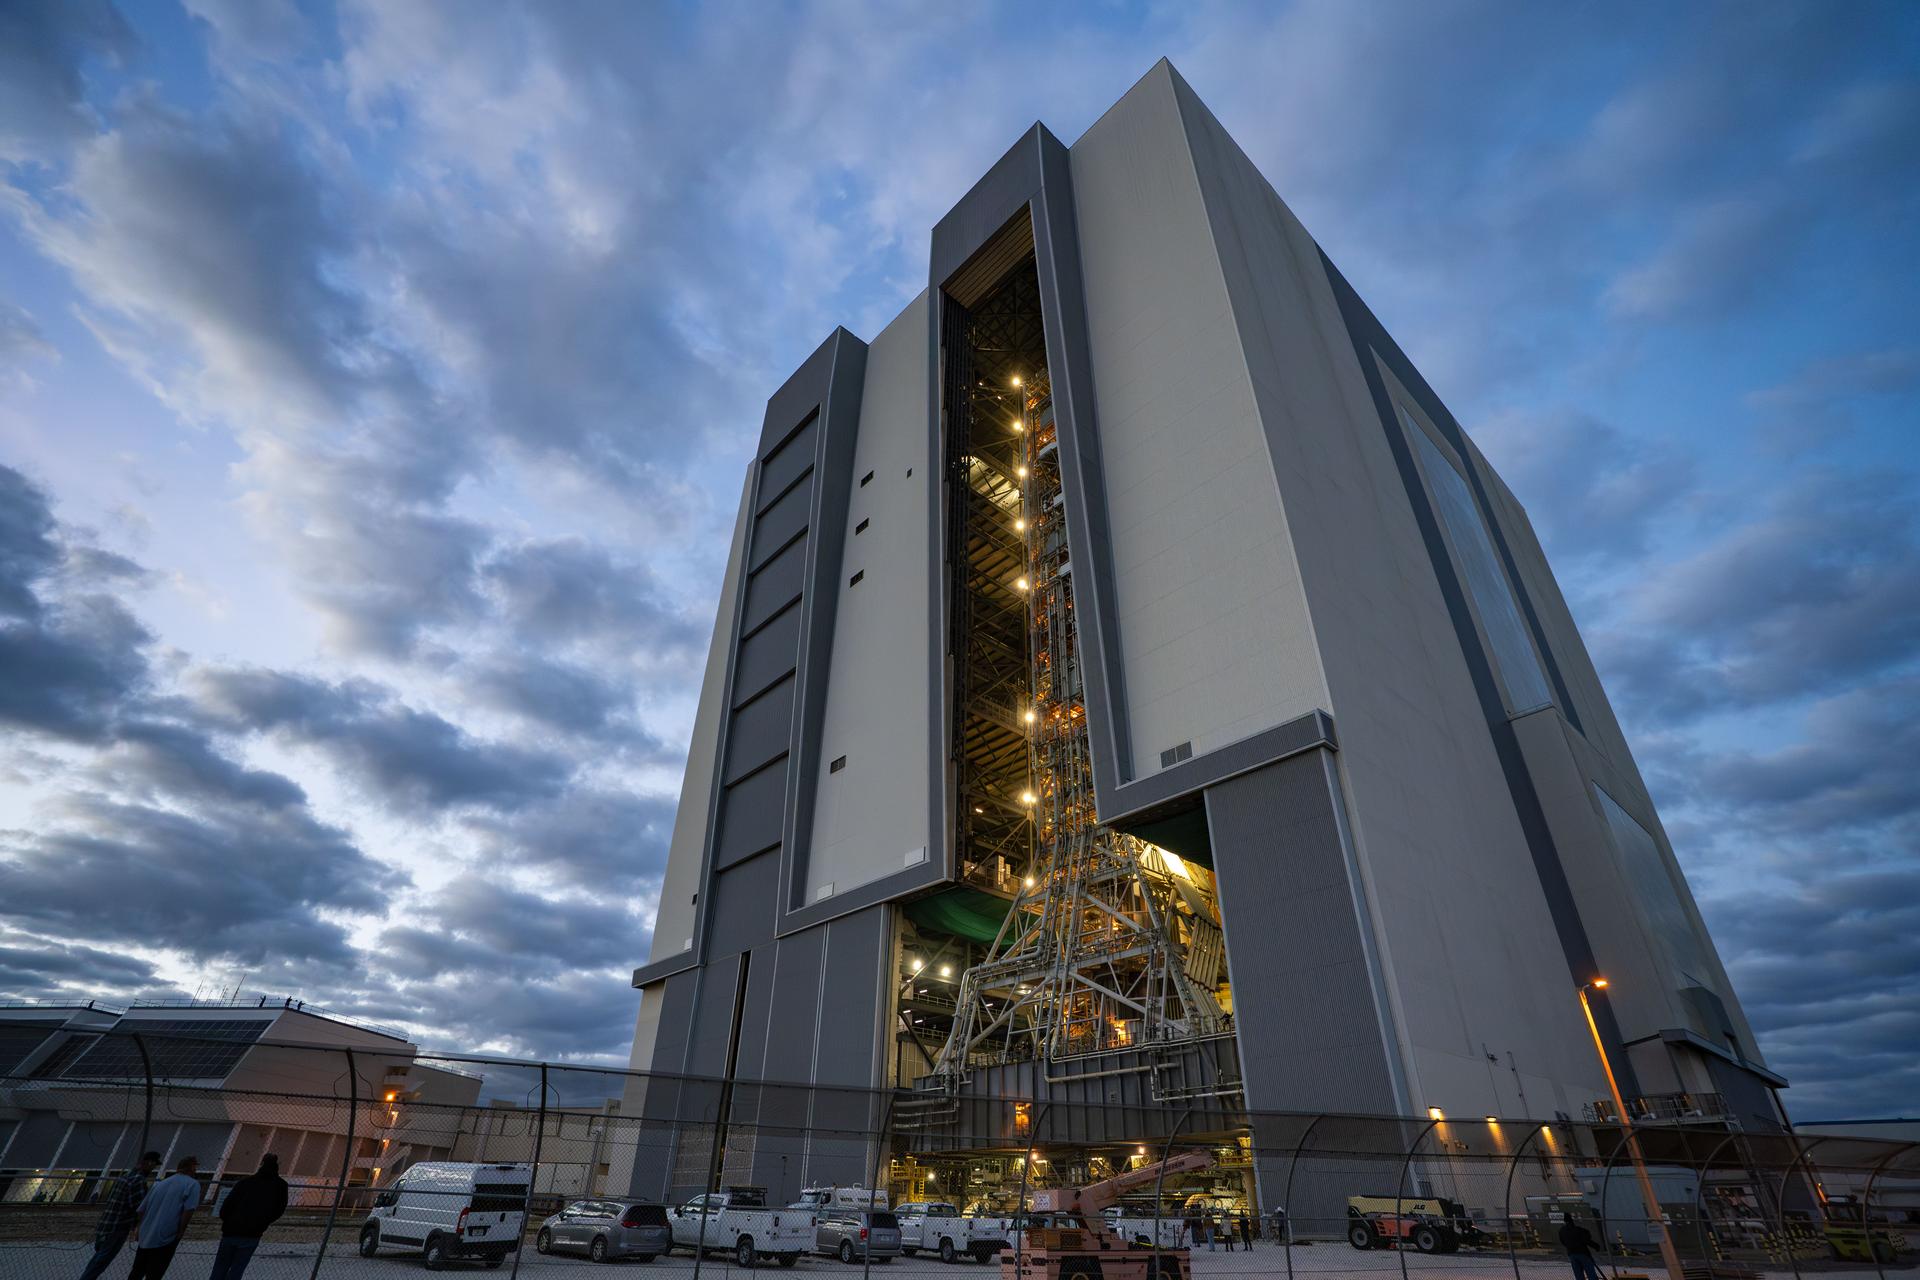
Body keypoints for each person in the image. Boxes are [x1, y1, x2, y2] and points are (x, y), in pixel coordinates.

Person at [78, 1152, 161, 1280]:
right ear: (149, 1163)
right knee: (102, 1260)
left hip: (107, 1223)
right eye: (154, 1165)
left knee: (98, 1258)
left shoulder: (125, 1176)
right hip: (119, 1226)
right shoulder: (138, 1180)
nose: (153, 1168)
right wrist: (139, 1225)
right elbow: (139, 1206)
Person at [209, 1155, 289, 1280]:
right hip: (253, 1232)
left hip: (231, 1230)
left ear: (261, 1163)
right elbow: (279, 1209)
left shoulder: (245, 1182)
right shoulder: (280, 1185)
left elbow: (228, 1204)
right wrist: (264, 1222)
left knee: (220, 1266)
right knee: (238, 1268)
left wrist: (227, 1220)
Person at [129, 1156, 201, 1280]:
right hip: (166, 1236)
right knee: (155, 1273)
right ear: (192, 1168)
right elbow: (188, 1210)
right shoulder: (192, 1184)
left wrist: (139, 1227)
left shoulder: (159, 1184)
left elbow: (141, 1210)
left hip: (146, 1234)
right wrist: (180, 1231)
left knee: (137, 1271)